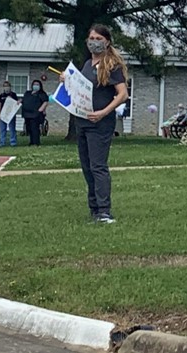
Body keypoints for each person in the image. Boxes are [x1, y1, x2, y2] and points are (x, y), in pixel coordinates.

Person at [65, 24, 129, 224]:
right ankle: (93, 208)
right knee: (86, 166)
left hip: (100, 123)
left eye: (99, 39)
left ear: (107, 42)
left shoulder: (112, 66)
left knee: (98, 166)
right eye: (91, 38)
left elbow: (123, 94)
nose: (94, 42)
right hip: (82, 121)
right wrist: (65, 80)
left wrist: (103, 112)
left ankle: (104, 210)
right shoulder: (86, 65)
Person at [21, 79, 50, 146]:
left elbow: (45, 101)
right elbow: (24, 100)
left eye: (37, 85)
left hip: (36, 114)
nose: (35, 86)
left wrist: (41, 109)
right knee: (29, 128)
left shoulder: (42, 94)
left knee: (35, 128)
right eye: (34, 84)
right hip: (27, 114)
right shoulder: (28, 93)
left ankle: (36, 142)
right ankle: (31, 142)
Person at [0, 80, 21, 147]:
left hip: (11, 115)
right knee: (2, 129)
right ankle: (2, 142)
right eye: (5, 86)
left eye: (7, 86)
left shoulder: (13, 94)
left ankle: (13, 142)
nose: (6, 87)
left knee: (12, 129)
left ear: (10, 87)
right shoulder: (1, 95)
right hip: (3, 114)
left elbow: (16, 103)